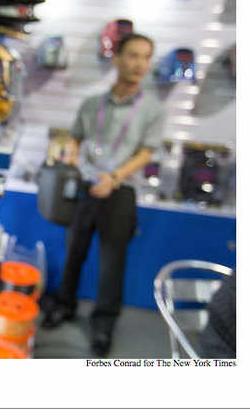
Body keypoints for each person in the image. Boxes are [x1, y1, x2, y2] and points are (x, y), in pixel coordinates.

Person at [42, 32, 166, 356]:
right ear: (117, 59)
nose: (140, 64)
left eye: (146, 57)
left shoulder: (152, 109)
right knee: (73, 251)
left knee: (112, 263)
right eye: (133, 55)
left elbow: (145, 153)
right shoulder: (92, 103)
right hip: (85, 188)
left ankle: (103, 324)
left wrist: (113, 177)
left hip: (120, 192)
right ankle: (64, 305)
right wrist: (71, 154)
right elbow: (77, 138)